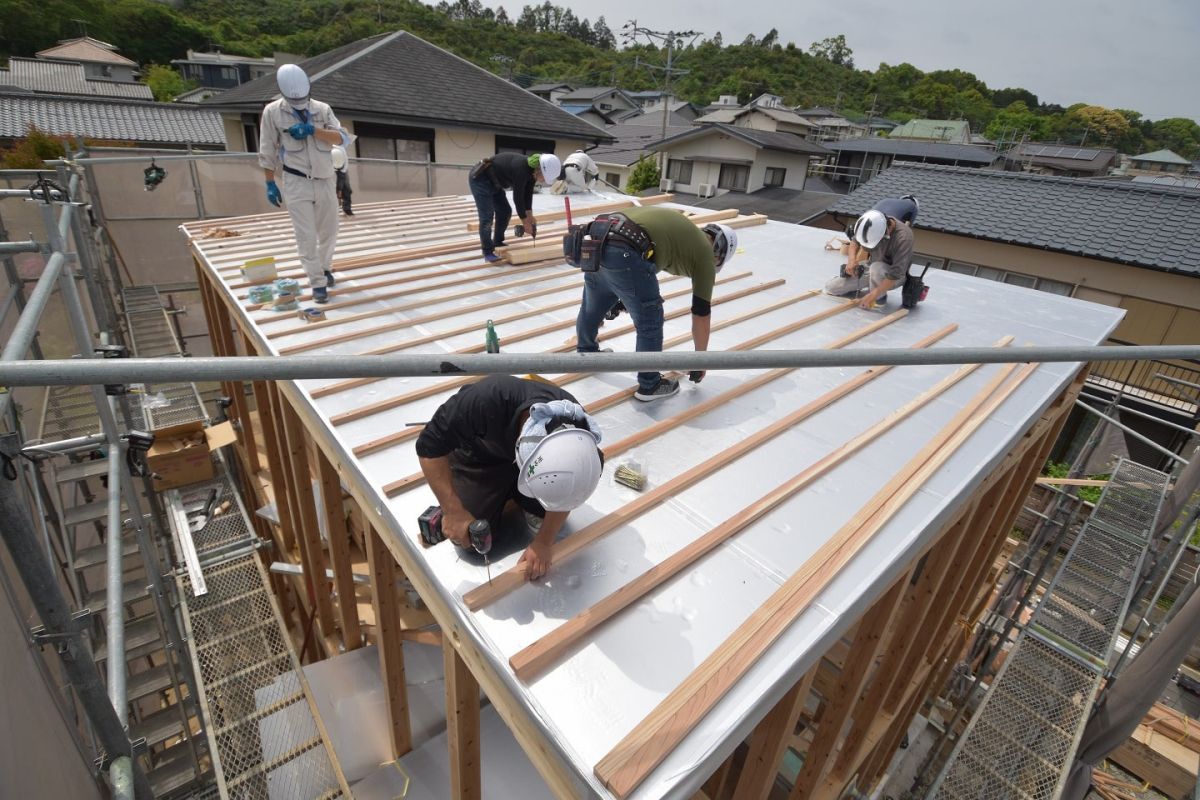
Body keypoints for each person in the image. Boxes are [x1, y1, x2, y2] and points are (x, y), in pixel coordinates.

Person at [416, 375, 604, 581]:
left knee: (550, 503)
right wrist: (453, 511)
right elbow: (428, 446)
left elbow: (570, 490)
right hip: (479, 457)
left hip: (519, 460)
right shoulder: (484, 400)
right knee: (468, 540)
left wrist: (544, 541)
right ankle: (500, 491)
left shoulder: (583, 446)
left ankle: (513, 493)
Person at [573, 207, 738, 402]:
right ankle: (650, 384)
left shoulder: (682, 235)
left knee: (593, 305)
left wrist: (621, 299)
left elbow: (644, 266)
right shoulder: (705, 256)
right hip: (625, 247)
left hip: (596, 238)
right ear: (719, 253)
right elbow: (701, 313)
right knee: (650, 319)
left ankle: (587, 352)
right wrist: (700, 361)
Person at [259, 64, 350, 304]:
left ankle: (325, 267)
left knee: (330, 230)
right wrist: (270, 182)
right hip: (296, 181)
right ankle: (317, 282)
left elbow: (342, 137)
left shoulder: (322, 109)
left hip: (325, 179)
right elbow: (267, 148)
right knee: (306, 235)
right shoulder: (272, 112)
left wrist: (313, 130)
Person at [825, 195, 918, 310]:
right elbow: (855, 241)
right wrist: (852, 260)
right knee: (832, 288)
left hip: (894, 276)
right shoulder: (871, 221)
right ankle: (871, 288)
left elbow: (896, 273)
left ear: (887, 231)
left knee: (877, 268)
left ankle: (880, 298)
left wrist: (875, 294)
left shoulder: (904, 237)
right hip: (871, 268)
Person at [468, 152, 562, 263]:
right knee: (487, 217)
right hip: (481, 180)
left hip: (495, 183)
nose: (544, 181)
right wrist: (525, 222)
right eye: (544, 177)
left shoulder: (532, 173)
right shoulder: (521, 170)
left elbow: (527, 195)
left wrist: (530, 216)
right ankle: (487, 251)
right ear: (540, 169)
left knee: (505, 211)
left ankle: (497, 242)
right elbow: (518, 198)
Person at [331, 145, 353, 216]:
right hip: (331, 170)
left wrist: (339, 190)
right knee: (331, 190)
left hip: (343, 169)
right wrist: (339, 190)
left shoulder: (341, 149)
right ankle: (333, 210)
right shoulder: (334, 151)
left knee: (347, 190)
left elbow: (342, 174)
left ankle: (347, 209)